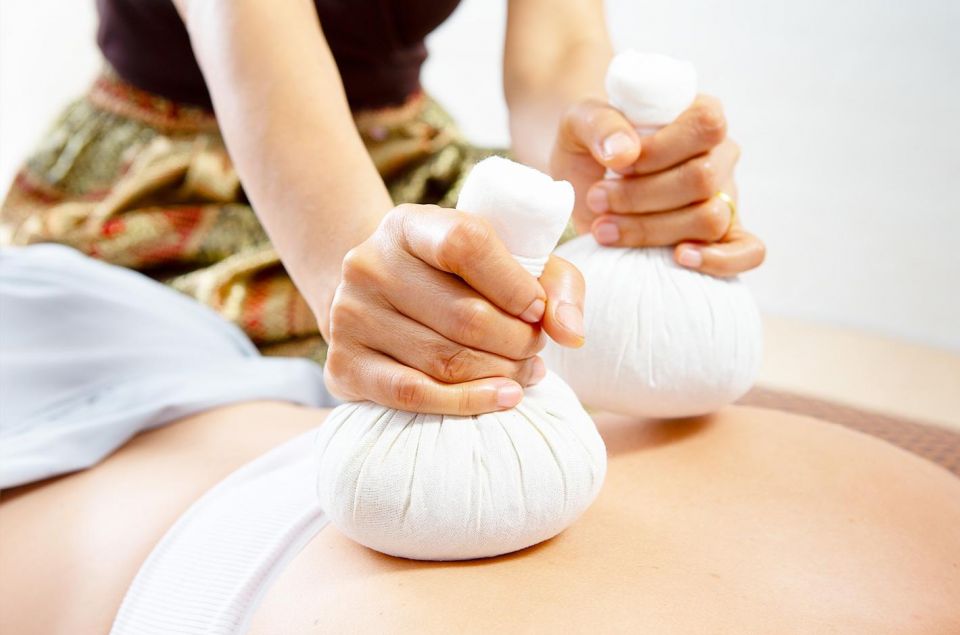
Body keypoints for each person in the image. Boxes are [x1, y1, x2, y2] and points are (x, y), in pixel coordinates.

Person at [1, 0, 764, 416]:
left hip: (403, 162)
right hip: (169, 187)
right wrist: (376, 294)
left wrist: (615, 161)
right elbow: (254, 52)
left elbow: (561, 49)